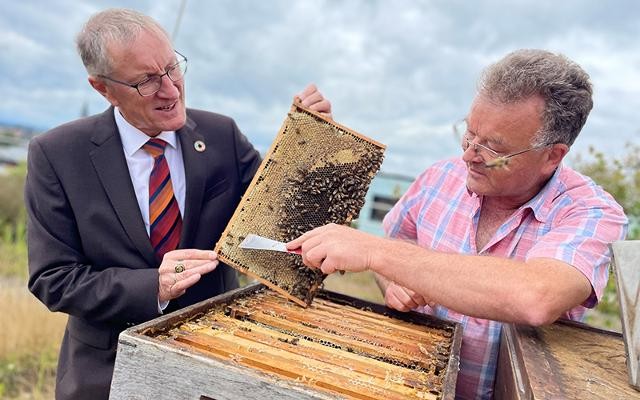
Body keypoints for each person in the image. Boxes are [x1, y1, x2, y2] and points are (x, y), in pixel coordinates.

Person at [25, 8, 330, 400]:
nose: (171, 90)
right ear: (102, 88)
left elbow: (282, 235)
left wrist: (310, 146)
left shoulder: (223, 135)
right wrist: (153, 285)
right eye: (146, 82)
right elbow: (53, 279)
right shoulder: (57, 154)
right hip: (106, 375)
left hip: (219, 365)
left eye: (172, 68)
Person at [288, 49, 628, 399]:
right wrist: (393, 282)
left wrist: (377, 252)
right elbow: (397, 247)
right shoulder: (439, 178)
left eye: (494, 149)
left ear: (552, 155)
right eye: (469, 133)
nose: (469, 154)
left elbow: (536, 296)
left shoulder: (593, 213)